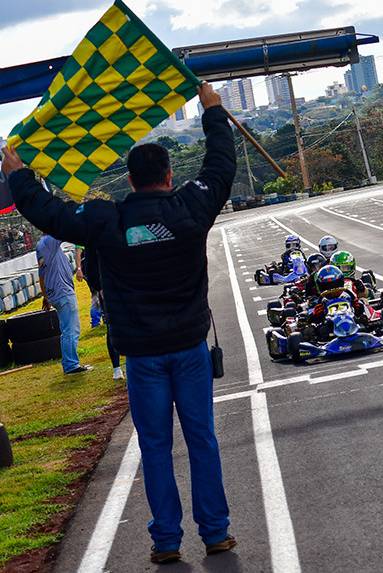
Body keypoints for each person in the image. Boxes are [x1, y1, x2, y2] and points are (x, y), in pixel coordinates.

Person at [3, 83, 236, 564]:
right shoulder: (191, 207)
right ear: (169, 176)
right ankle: (215, 533)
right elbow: (220, 166)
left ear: (129, 181)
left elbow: (49, 212)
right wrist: (212, 109)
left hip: (143, 356)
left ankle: (166, 542)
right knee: (202, 440)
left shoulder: (106, 220)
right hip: (190, 349)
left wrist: (19, 174)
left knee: (154, 447)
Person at [35, 234, 90, 374]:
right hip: (63, 292)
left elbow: (40, 275)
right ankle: (71, 365)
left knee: (66, 330)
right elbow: (64, 229)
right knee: (71, 330)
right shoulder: (49, 241)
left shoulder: (40, 245)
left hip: (54, 293)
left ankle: (69, 362)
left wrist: (46, 297)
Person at [82, 244, 122, 379]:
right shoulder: (94, 235)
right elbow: (89, 266)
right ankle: (116, 368)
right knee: (112, 326)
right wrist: (99, 288)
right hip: (107, 287)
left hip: (126, 284)